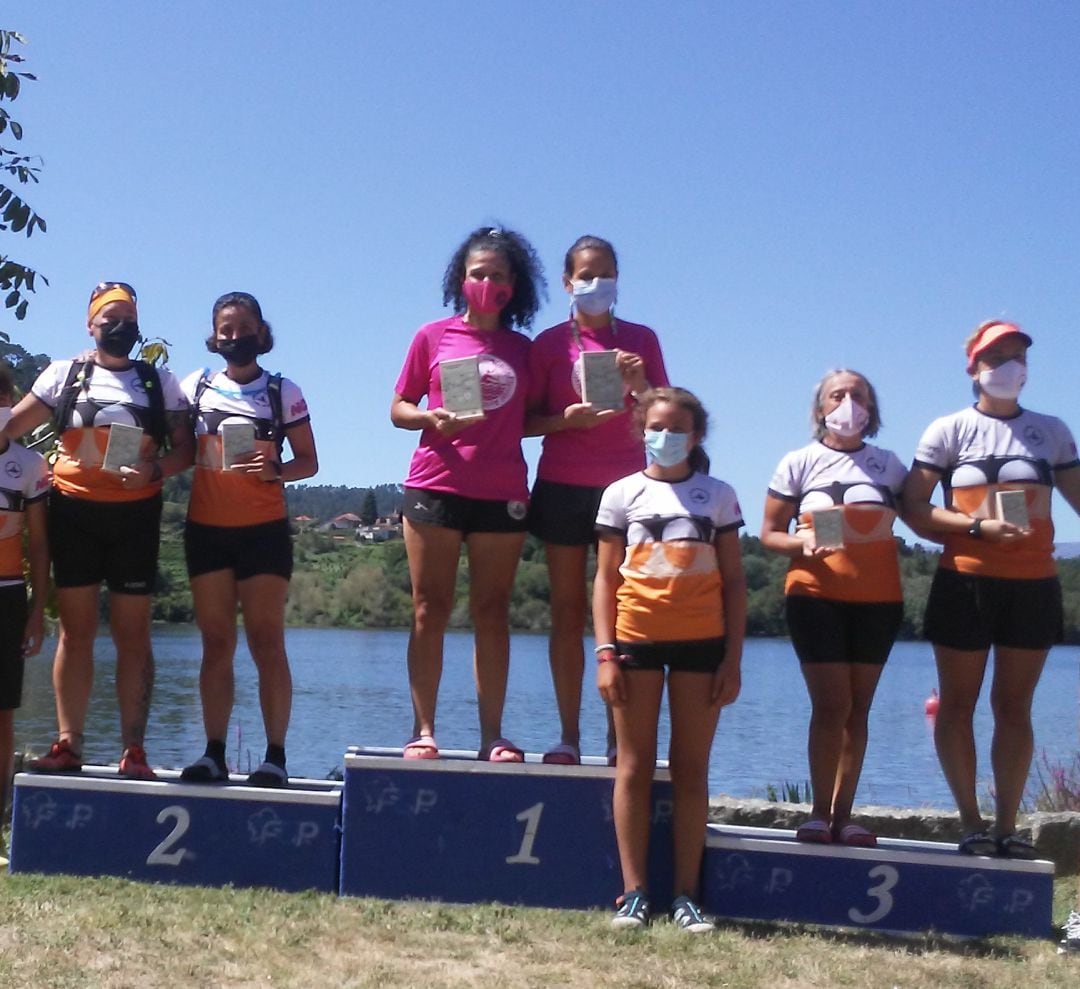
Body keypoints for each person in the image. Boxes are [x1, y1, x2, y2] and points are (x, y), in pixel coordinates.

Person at [903, 320, 1080, 858]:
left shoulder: (1050, 431)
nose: (1009, 365)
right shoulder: (948, 430)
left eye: (1018, 355)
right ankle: (971, 823)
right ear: (973, 368)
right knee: (956, 704)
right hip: (965, 583)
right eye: (996, 356)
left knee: (1014, 708)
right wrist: (975, 528)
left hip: (1033, 587)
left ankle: (1008, 827)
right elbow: (913, 508)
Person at [1, 282, 192, 779]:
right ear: (91, 324)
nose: (119, 325)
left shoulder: (157, 381)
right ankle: (69, 744)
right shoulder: (66, 374)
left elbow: (185, 450)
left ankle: (134, 751)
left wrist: (155, 471)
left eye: (128, 317)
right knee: (76, 632)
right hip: (73, 513)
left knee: (133, 635)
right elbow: (10, 429)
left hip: (135, 518)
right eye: (110, 318)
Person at [593, 387, 745, 931]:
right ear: (641, 431)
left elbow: (734, 584)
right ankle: (633, 894)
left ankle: (687, 895)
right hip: (634, 640)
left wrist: (733, 659)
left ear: (696, 436)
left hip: (702, 644)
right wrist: (605, 652)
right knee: (632, 767)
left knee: (690, 769)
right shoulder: (620, 494)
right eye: (656, 427)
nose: (666, 437)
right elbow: (606, 580)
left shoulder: (719, 496)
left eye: (678, 428)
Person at [391, 225, 544, 762]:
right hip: (436, 482)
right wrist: (428, 416)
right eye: (478, 273)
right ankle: (423, 729)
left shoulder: (525, 349)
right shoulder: (432, 336)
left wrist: (569, 421)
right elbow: (398, 408)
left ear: (513, 285)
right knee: (429, 608)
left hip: (502, 489)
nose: (486, 282)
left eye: (497, 275)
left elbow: (532, 418)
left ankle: (492, 735)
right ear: (462, 278)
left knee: (492, 611)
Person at [525, 235, 669, 765]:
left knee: (625, 614)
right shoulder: (546, 346)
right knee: (567, 612)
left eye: (605, 274)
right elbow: (523, 422)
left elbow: (664, 418)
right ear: (567, 282)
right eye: (585, 275)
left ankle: (618, 739)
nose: (595, 283)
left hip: (629, 491)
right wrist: (563, 422)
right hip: (563, 483)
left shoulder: (642, 339)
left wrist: (641, 382)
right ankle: (568, 735)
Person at [760, 370, 907, 846]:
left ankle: (846, 816)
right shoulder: (799, 462)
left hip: (879, 600)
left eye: (858, 395)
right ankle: (818, 813)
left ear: (872, 408)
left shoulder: (888, 465)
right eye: (837, 395)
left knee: (857, 710)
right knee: (831, 705)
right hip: (815, 597)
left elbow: (921, 514)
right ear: (820, 407)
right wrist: (799, 543)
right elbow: (769, 533)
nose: (848, 402)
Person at [179, 292, 317, 787]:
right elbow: (177, 452)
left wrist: (276, 469)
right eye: (225, 329)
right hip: (207, 530)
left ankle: (275, 757)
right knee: (216, 643)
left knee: (266, 640)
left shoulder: (283, 391)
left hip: (263, 533)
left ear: (262, 332)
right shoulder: (194, 386)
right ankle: (213, 753)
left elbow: (309, 462)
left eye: (244, 327)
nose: (234, 337)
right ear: (215, 336)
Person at [0, 363, 49, 820]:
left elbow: (40, 544)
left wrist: (38, 613)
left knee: (3, 711)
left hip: (8, 596)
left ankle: (1, 810)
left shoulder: (30, 465)